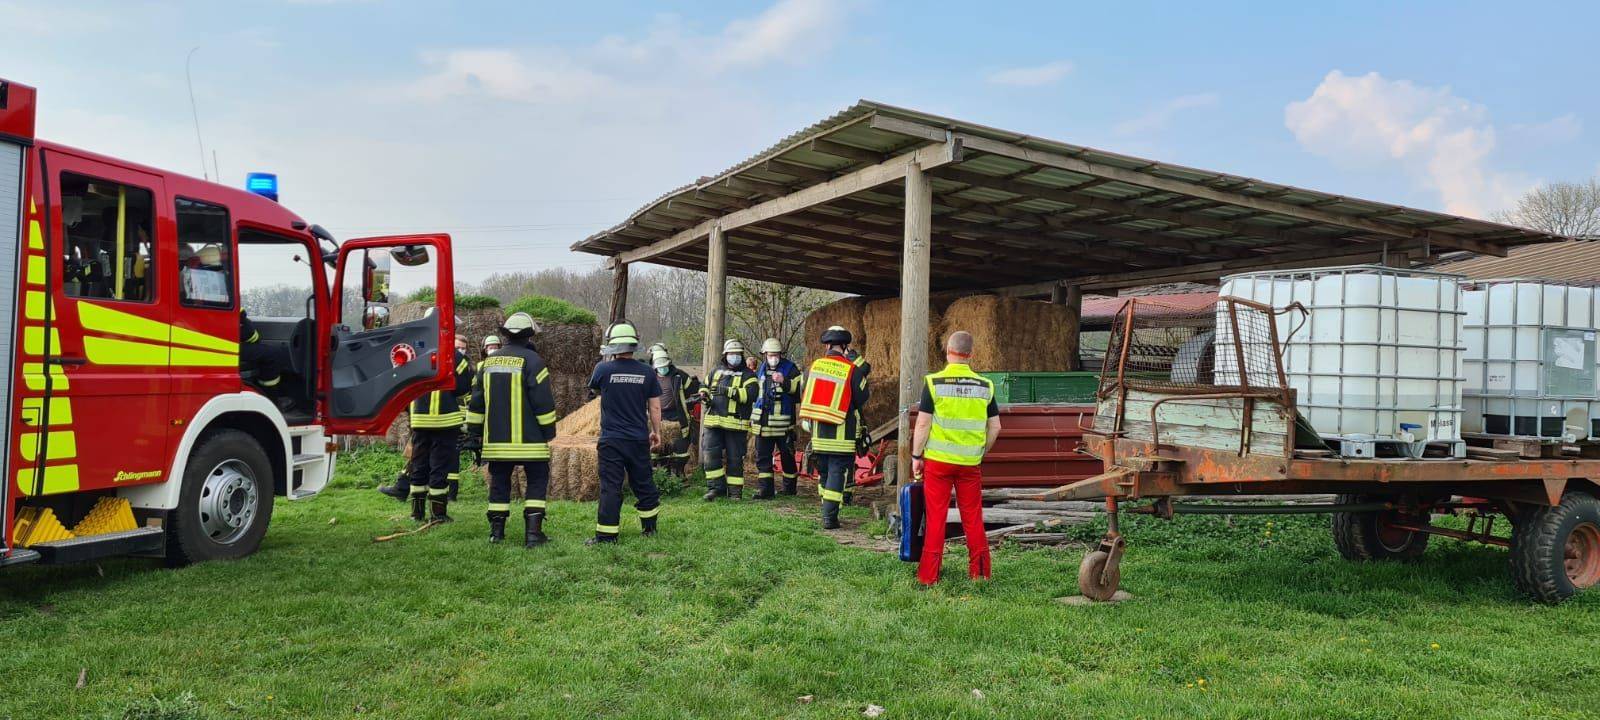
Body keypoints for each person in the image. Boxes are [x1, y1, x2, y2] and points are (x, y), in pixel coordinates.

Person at [910, 330, 1002, 585]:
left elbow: (923, 425)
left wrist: (917, 455)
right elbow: (995, 428)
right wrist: (980, 453)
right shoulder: (986, 386)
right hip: (970, 464)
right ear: (971, 355)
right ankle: (980, 574)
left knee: (936, 517)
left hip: (938, 463)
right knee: (972, 517)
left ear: (947, 352)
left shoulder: (934, 382)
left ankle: (929, 576)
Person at [464, 312, 560, 547]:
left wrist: (474, 433)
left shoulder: (487, 364)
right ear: (529, 336)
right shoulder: (534, 362)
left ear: (505, 335)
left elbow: (476, 403)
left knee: (499, 483)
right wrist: (549, 431)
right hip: (531, 442)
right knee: (537, 480)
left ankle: (496, 533)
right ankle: (533, 535)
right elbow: (543, 403)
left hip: (496, 442)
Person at [388, 308, 474, 517]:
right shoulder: (455, 356)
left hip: (420, 419)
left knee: (419, 464)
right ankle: (438, 513)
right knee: (439, 467)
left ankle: (416, 513)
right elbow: (464, 387)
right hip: (445, 421)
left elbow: (400, 381)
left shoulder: (414, 350)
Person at [586, 322, 665, 545]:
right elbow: (655, 407)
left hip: (611, 440)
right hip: (638, 439)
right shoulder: (647, 372)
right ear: (633, 344)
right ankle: (650, 529)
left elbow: (595, 390)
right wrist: (656, 432)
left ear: (612, 345)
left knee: (611, 486)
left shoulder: (602, 369)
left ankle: (606, 536)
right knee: (644, 483)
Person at [798, 326, 869, 529]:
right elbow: (862, 397)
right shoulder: (851, 369)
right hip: (841, 433)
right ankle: (830, 518)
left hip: (818, 433)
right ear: (845, 347)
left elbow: (803, 391)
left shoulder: (812, 367)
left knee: (825, 473)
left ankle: (825, 509)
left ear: (827, 345)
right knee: (838, 474)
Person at [700, 339, 759, 501]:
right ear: (725, 356)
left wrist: (726, 391)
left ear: (741, 355)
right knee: (711, 457)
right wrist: (703, 394)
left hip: (736, 425)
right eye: (731, 354)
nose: (734, 357)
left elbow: (750, 395)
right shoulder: (715, 371)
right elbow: (704, 385)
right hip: (713, 423)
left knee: (734, 459)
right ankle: (715, 488)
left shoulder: (749, 376)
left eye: (737, 354)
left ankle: (735, 493)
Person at [749, 337, 802, 499]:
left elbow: (799, 392)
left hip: (783, 425)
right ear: (764, 355)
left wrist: (784, 381)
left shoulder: (791, 369)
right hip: (763, 424)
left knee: (787, 457)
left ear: (781, 354)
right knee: (763, 457)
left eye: (776, 354)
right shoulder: (762, 368)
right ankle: (766, 490)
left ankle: (789, 488)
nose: (773, 357)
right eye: (770, 354)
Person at [650, 347, 701, 477]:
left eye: (665, 365)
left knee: (680, 447)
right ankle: (663, 474)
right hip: (657, 416)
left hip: (677, 415)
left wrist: (691, 401)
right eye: (660, 366)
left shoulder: (679, 376)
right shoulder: (650, 377)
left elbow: (694, 390)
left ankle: (679, 473)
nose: (663, 368)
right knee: (659, 448)